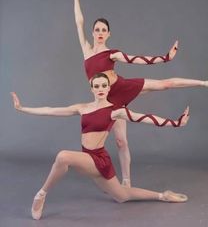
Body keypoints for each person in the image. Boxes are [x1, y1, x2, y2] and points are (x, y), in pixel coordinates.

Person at [73, 0, 208, 187]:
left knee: (164, 84)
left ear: (109, 34)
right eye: (97, 30)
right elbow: (79, 22)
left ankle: (207, 83)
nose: (100, 32)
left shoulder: (112, 53)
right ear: (92, 33)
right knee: (121, 141)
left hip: (121, 87)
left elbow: (137, 59)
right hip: (106, 100)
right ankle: (125, 180)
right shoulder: (86, 50)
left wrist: (165, 58)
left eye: (104, 30)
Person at [11, 73, 190, 220]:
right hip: (87, 158)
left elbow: (144, 118)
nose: (100, 89)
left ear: (109, 87)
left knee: (63, 156)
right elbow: (51, 110)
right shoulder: (83, 107)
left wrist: (175, 123)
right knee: (122, 196)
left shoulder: (116, 110)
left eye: (104, 86)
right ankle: (162, 195)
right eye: (96, 86)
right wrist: (23, 108)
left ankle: (40, 195)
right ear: (92, 89)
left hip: (99, 160)